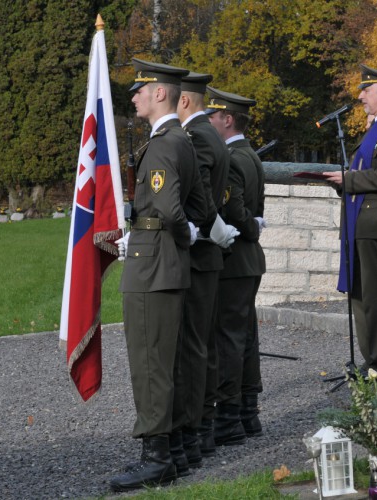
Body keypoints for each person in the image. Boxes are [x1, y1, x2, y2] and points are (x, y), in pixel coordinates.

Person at [111, 58, 202, 492]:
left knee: (150, 363)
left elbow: (169, 209)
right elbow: (201, 204)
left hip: (154, 264)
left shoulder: (165, 142)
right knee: (172, 360)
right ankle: (179, 447)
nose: (134, 98)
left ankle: (156, 456)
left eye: (139, 90)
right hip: (165, 261)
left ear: (159, 93)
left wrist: (178, 237)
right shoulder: (178, 139)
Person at [322, 64, 377, 379]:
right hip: (361, 223)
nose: (360, 96)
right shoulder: (376, 127)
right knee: (361, 298)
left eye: (366, 90)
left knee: (376, 298)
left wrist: (351, 180)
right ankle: (372, 360)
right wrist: (342, 183)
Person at [169, 71, 232, 472]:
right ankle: (202, 428)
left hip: (198, 250)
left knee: (192, 348)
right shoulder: (212, 134)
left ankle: (194, 429)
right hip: (209, 253)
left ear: (185, 102)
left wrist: (205, 226)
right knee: (201, 344)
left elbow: (202, 198)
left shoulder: (195, 137)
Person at [205, 86, 267, 445]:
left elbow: (234, 212)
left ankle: (228, 417)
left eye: (213, 116)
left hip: (235, 260)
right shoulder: (250, 154)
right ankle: (247, 412)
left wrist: (249, 226)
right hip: (248, 261)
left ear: (227, 119)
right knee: (244, 336)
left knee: (229, 339)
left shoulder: (231, 158)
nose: (209, 122)